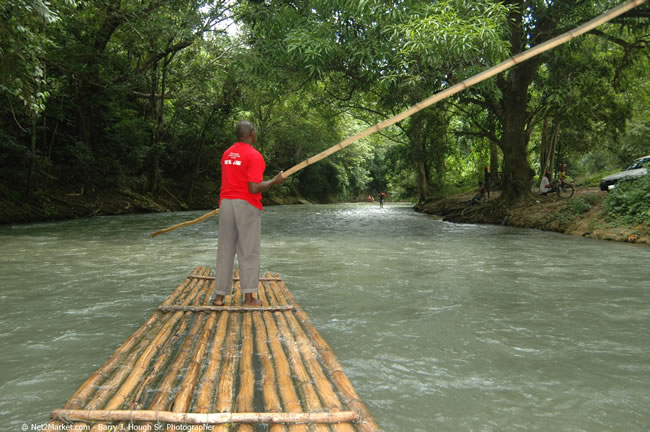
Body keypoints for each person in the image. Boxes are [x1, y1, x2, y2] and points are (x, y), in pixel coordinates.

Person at [213, 121, 285, 307]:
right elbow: (253, 188)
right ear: (251, 133)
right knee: (248, 251)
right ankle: (249, 298)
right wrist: (274, 182)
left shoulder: (227, 153)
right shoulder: (254, 156)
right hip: (246, 205)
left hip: (226, 204)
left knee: (225, 251)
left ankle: (219, 297)